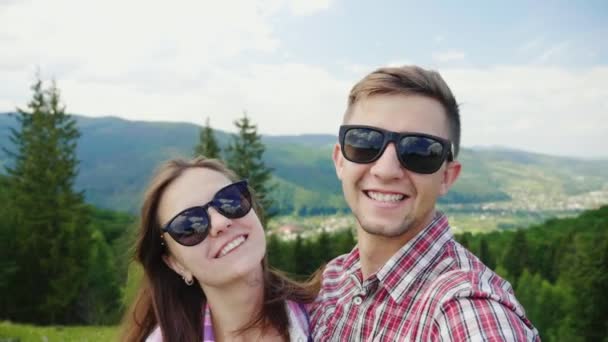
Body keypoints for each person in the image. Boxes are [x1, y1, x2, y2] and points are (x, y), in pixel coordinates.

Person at [310, 66, 540, 341]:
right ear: (339, 160)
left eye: (419, 150)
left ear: (446, 176)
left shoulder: (466, 307)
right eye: (365, 142)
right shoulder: (334, 281)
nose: (386, 170)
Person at [121, 157, 313, 341]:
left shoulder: (330, 318)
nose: (220, 222)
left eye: (229, 200)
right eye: (190, 225)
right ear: (176, 263)